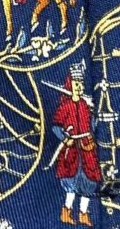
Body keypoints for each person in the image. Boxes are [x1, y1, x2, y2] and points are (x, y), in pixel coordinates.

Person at [51, 63, 101, 227]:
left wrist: (93, 114)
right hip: (71, 150)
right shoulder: (65, 107)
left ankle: (84, 214)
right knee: (71, 182)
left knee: (89, 181)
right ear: (70, 85)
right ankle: (66, 212)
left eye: (81, 84)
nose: (79, 87)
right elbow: (56, 126)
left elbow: (91, 126)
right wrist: (65, 137)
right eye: (76, 84)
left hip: (87, 149)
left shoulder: (85, 106)